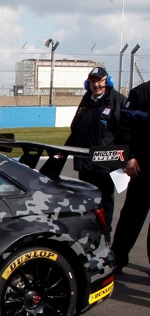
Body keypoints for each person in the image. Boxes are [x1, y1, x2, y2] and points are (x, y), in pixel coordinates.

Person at [64, 67, 127, 235]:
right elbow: (77, 129)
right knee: (86, 200)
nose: (96, 84)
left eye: (99, 80)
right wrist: (63, 150)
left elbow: (125, 132)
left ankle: (104, 234)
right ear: (88, 82)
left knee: (104, 202)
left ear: (107, 81)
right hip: (85, 162)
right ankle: (88, 233)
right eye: (93, 81)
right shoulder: (86, 100)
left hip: (105, 164)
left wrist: (127, 158)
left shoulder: (117, 101)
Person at [111, 80, 150, 273]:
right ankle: (118, 258)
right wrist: (130, 157)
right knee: (132, 217)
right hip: (143, 167)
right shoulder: (141, 93)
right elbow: (125, 128)